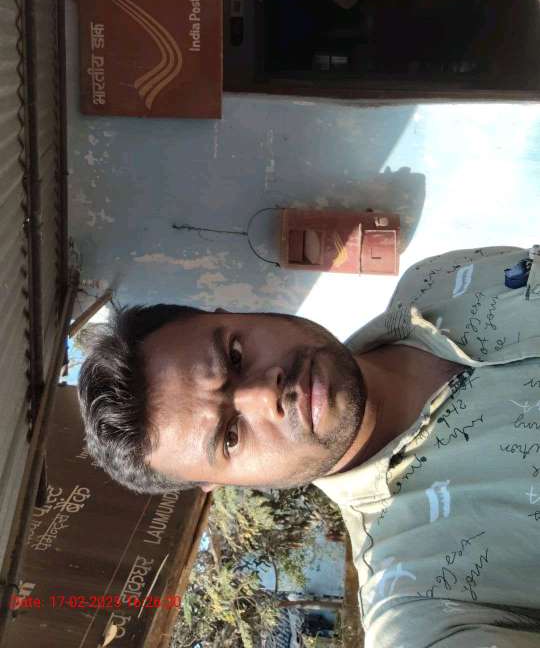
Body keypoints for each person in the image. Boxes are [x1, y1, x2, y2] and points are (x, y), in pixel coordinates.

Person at [79, 246, 540, 647]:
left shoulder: (435, 278)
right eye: (230, 436)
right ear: (218, 484)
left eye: (235, 356)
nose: (265, 395)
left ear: (234, 313)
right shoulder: (422, 598)